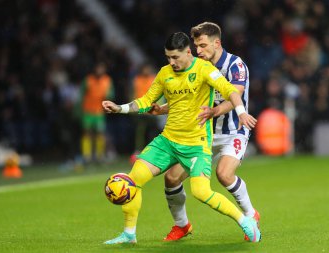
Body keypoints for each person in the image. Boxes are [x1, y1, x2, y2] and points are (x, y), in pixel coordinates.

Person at [101, 32, 261, 244]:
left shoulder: (204, 69)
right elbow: (147, 101)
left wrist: (241, 112)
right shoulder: (165, 73)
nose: (171, 62)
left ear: (188, 52)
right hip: (167, 141)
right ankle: (129, 234)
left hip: (196, 145)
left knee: (201, 192)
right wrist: (119, 108)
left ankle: (245, 221)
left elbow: (230, 90)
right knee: (133, 179)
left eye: (175, 57)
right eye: (168, 57)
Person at [150, 22, 261, 241]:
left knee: (224, 174)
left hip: (233, 131)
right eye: (196, 46)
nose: (198, 51)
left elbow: (233, 95)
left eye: (202, 45)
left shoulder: (235, 65)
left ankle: (250, 215)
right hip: (204, 134)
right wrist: (163, 108)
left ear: (216, 42)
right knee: (171, 179)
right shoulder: (198, 66)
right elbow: (188, 100)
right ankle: (182, 225)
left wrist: (215, 111)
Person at [78, 62, 114, 163]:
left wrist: (109, 96)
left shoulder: (107, 80)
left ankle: (99, 156)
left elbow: (111, 94)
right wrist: (79, 110)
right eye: (98, 68)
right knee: (87, 133)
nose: (99, 71)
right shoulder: (88, 80)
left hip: (99, 112)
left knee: (100, 133)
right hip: (87, 111)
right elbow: (81, 95)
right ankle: (87, 156)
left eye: (101, 68)